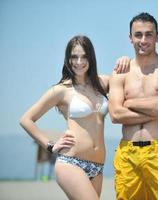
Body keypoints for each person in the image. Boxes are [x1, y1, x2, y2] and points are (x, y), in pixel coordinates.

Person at [19, 35, 128, 200]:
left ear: (91, 57)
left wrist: (126, 59)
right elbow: (26, 119)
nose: (79, 61)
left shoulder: (103, 83)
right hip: (71, 163)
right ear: (67, 60)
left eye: (84, 56)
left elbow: (129, 78)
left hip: (97, 166)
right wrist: (50, 146)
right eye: (74, 57)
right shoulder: (61, 90)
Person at [108, 12, 158, 200]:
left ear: (157, 37)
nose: (143, 40)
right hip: (128, 154)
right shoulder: (121, 72)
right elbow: (116, 114)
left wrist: (131, 103)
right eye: (138, 35)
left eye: (149, 34)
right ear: (130, 38)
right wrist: (156, 111)